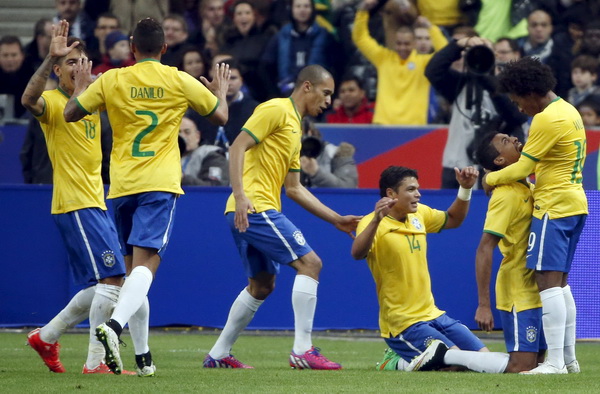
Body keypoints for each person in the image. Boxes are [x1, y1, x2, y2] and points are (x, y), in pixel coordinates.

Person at [64, 17, 230, 375]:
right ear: (165, 49)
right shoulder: (177, 79)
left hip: (122, 185)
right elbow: (219, 117)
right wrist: (221, 92)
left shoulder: (112, 79)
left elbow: (71, 113)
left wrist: (79, 87)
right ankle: (114, 326)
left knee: (129, 274)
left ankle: (143, 358)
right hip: (160, 182)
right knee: (147, 266)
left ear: (132, 47)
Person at [202, 64, 361, 370]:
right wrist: (240, 196)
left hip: (249, 208)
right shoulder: (275, 109)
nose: (328, 101)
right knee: (310, 263)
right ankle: (302, 350)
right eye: (325, 93)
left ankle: (219, 354)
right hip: (254, 207)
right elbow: (237, 147)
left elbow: (295, 188)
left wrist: (337, 219)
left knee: (262, 285)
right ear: (306, 87)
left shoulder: (296, 128)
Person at [20, 20, 137, 375]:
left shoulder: (92, 104)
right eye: (70, 62)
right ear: (57, 70)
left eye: (81, 60)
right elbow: (28, 99)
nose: (78, 66)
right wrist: (47, 58)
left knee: (108, 283)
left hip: (96, 202)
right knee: (113, 280)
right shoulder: (54, 104)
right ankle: (94, 363)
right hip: (74, 203)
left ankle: (47, 336)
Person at [351, 165, 518, 374]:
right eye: (411, 190)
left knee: (481, 356)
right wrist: (377, 219)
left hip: (434, 315)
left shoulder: (419, 214)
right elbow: (357, 253)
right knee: (460, 364)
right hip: (403, 323)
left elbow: (453, 219)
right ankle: (395, 362)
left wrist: (465, 189)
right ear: (391, 193)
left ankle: (407, 360)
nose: (418, 194)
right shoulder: (371, 223)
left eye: (417, 189)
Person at [484, 56, 588, 374]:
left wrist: (489, 178)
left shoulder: (547, 118)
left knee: (548, 283)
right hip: (575, 203)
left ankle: (555, 362)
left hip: (553, 207)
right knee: (561, 284)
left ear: (528, 91)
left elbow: (525, 167)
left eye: (517, 100)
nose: (519, 107)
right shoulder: (568, 110)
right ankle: (568, 360)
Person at [473, 132, 547, 373]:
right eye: (505, 141)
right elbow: (485, 247)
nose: (514, 138)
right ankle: (454, 359)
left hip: (541, 288)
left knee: (541, 366)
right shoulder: (505, 194)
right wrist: (484, 305)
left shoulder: (531, 187)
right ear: (500, 161)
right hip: (518, 290)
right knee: (522, 367)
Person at [425, 34, 528, 189]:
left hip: (495, 167)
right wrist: (459, 44)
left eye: (487, 53)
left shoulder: (513, 86)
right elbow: (433, 70)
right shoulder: (460, 83)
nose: (482, 57)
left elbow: (516, 116)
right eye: (477, 53)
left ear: (495, 56)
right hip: (456, 163)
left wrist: (486, 78)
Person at [352, 0, 447, 125]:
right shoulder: (383, 58)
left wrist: (430, 27)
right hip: (383, 125)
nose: (402, 47)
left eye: (407, 44)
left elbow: (446, 53)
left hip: (414, 128)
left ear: (414, 43)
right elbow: (360, 38)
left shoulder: (424, 63)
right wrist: (362, 12)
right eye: (399, 43)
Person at [187, 58, 258, 148]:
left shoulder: (255, 109)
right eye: (223, 78)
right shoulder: (200, 107)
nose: (228, 83)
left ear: (241, 80)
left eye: (233, 78)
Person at [300, 119, 358, 188]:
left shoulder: (337, 154)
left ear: (309, 132)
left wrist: (316, 173)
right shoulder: (285, 155)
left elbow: (348, 189)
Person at [180, 116, 229, 186]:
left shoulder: (212, 155)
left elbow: (215, 187)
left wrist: (182, 178)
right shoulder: (168, 156)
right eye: (178, 133)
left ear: (197, 136)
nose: (183, 136)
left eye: (187, 132)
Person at [0, 35, 35, 119]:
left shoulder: (33, 74)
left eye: (14, 55)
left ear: (22, 56)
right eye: (5, 55)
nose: (10, 59)